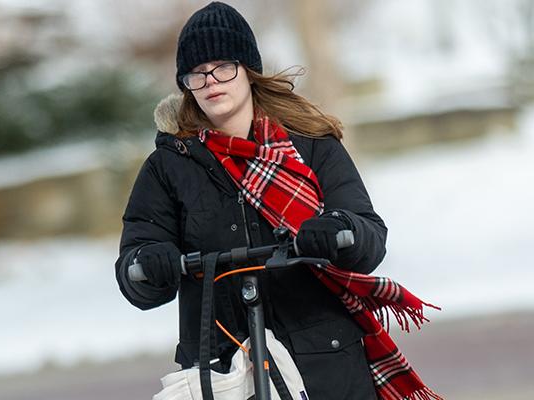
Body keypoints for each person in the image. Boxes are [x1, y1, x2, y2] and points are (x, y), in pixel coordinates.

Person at [115, 3, 440, 399]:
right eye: (197, 73)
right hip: (226, 370)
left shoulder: (311, 144)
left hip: (324, 361)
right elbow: (135, 270)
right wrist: (149, 262)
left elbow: (368, 236)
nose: (211, 81)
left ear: (248, 69)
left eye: (223, 67)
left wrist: (339, 229)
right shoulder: (168, 166)